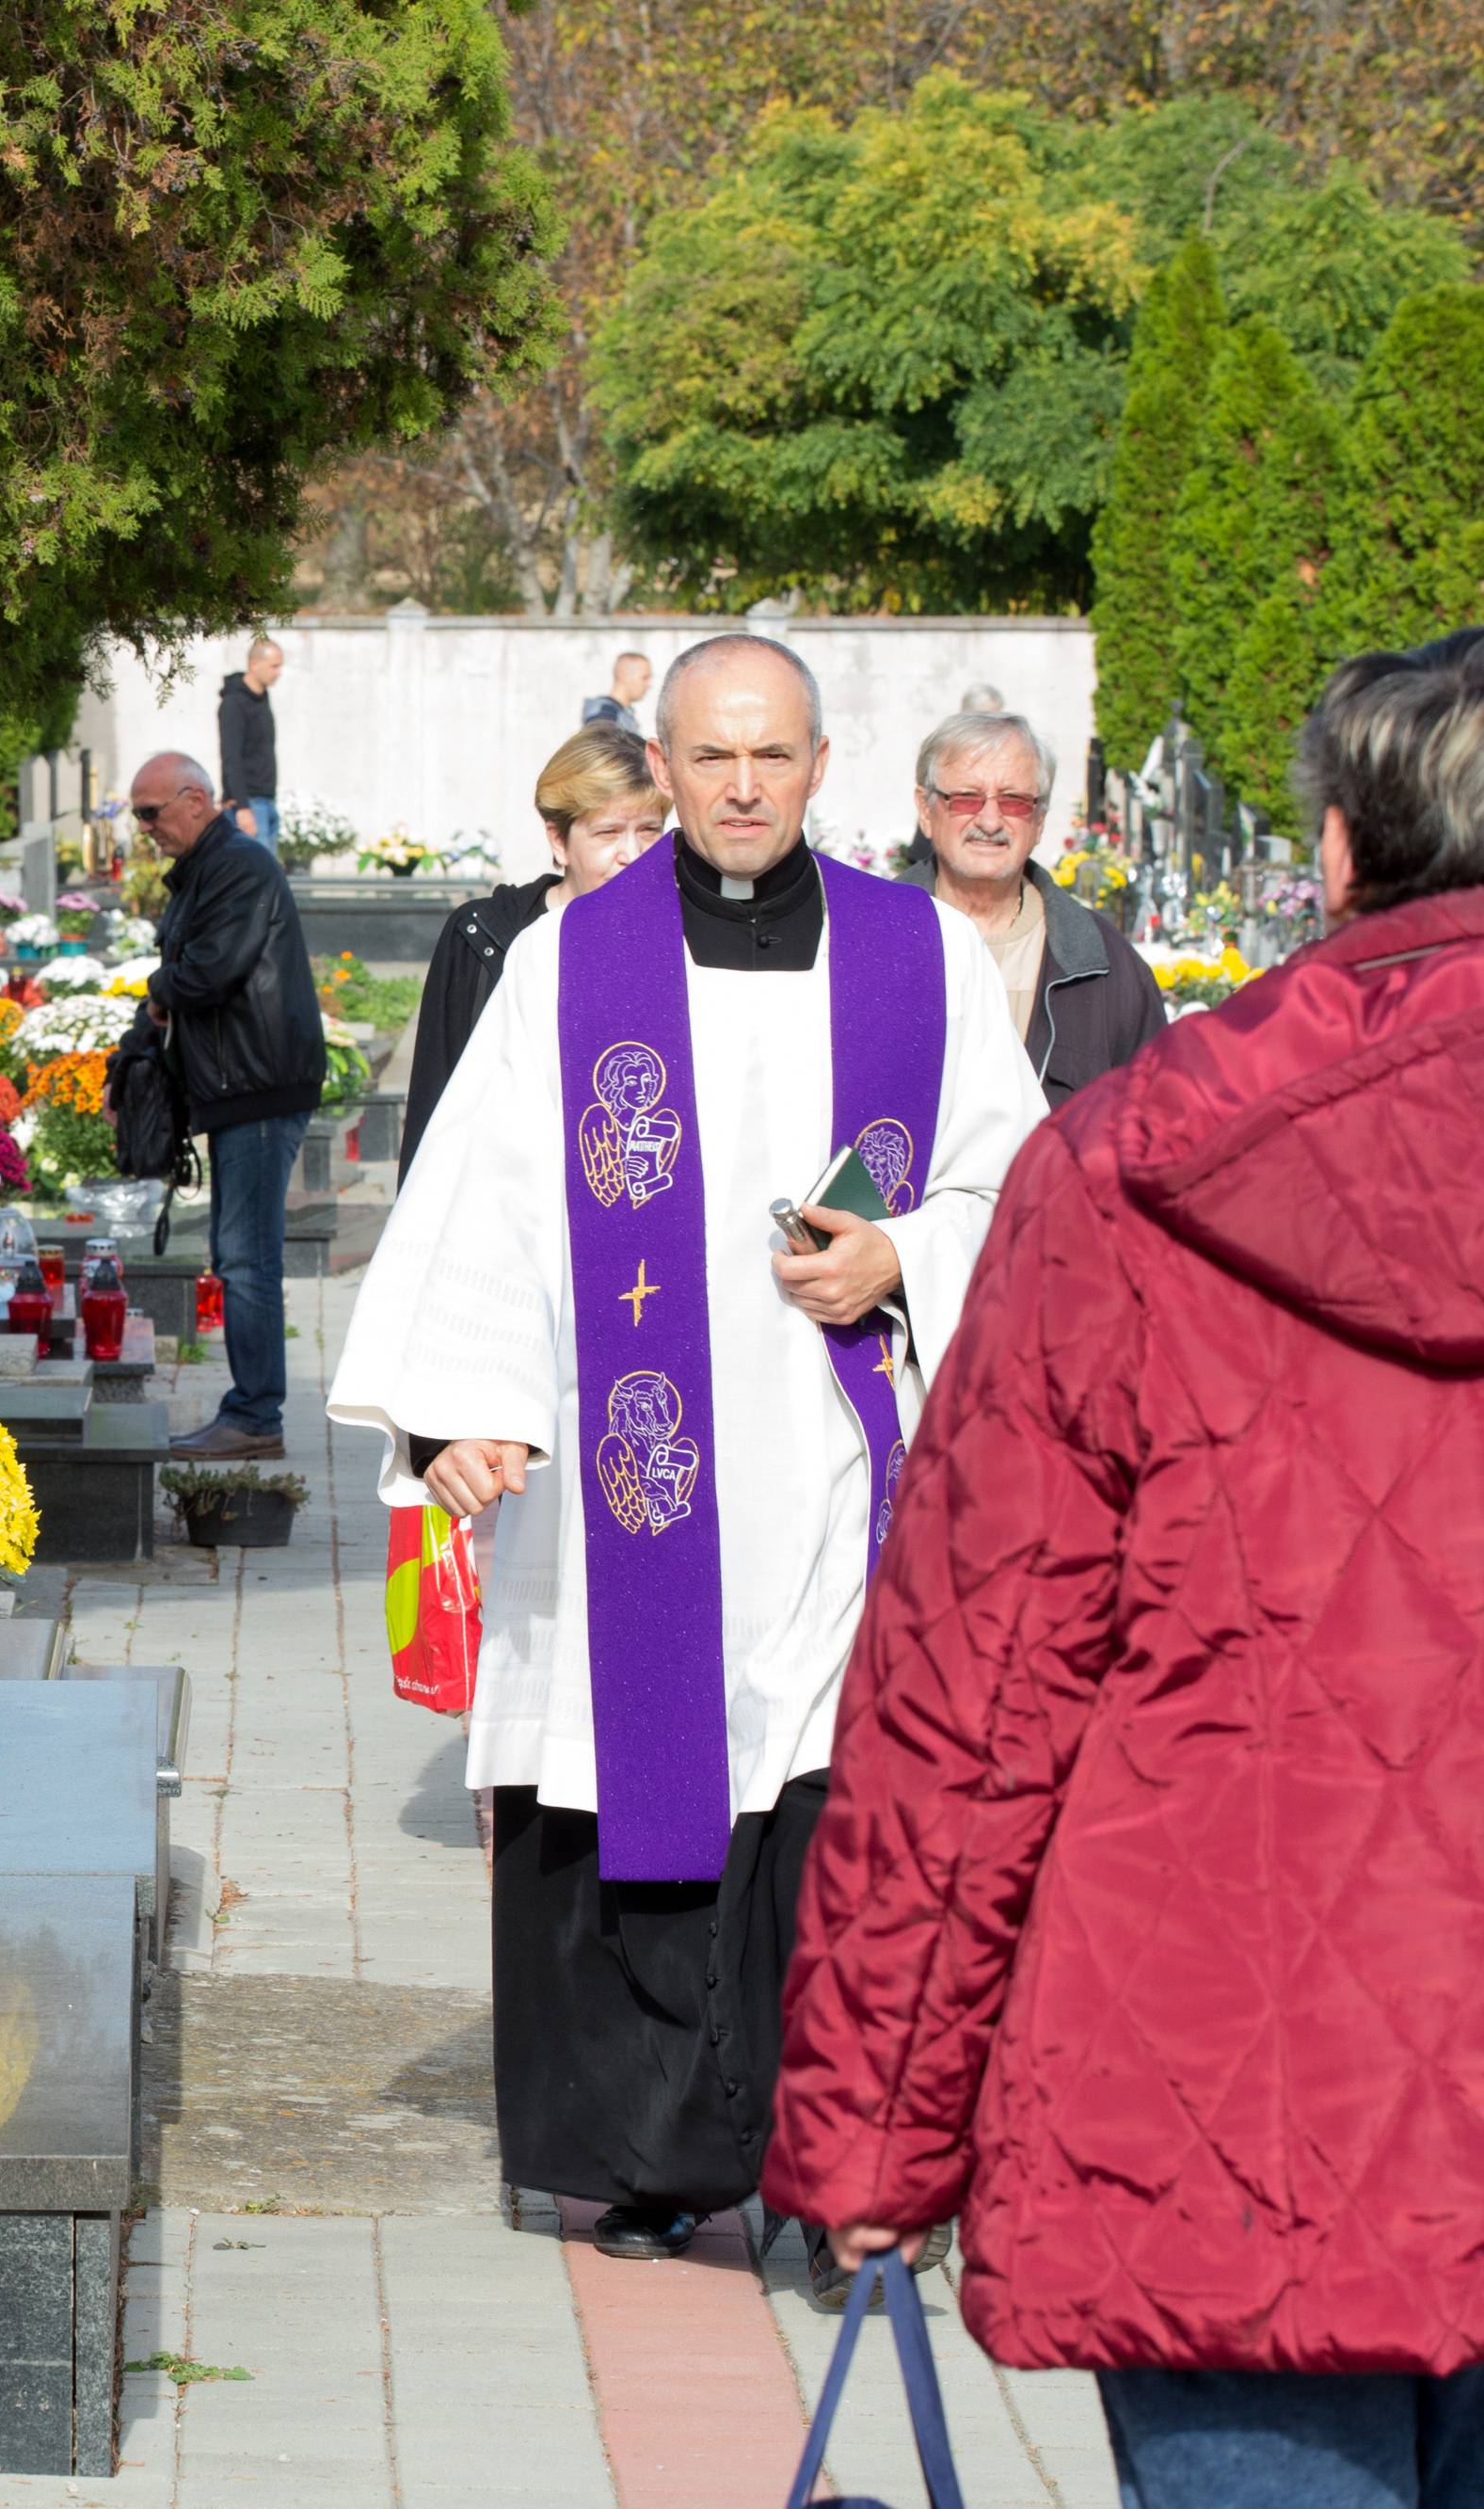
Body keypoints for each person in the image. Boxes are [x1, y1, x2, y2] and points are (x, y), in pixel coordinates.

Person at [764, 631, 1484, 2503]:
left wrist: (875, 2132)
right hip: (1238, 2106)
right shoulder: (1121, 1175)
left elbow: (975, 1695)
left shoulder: (1127, 1169)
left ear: (1333, 854)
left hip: (1229, 2107)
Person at [329, 635, 1044, 2272]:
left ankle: (840, 2159)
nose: (740, 786)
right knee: (638, 1805)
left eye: (771, 757)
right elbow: (489, 1203)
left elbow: (1024, 1187)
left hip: (842, 1461)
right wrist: (466, 1405)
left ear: (819, 766)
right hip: (624, 1472)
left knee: (832, 1812)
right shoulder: (573, 962)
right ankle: (646, 2159)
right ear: (661, 766)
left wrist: (901, 1262)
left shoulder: (916, 955)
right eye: (708, 758)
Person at [112, 752, 324, 1458]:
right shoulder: (207, 868)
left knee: (245, 1258)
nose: (145, 827)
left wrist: (160, 986)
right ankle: (251, 1410)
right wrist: (135, 1052)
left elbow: (208, 971)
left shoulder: (237, 865)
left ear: (195, 800)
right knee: (239, 1254)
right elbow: (182, 980)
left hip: (258, 1088)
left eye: (152, 812)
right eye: (138, 814)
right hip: (239, 1088)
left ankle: (256, 1416)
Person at [398, 724, 667, 1181]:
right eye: (607, 833)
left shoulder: (676, 939)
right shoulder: (482, 936)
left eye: (650, 830)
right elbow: (437, 1100)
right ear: (558, 841)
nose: (632, 854)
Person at [898, 708, 1164, 1106]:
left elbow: (1156, 1118)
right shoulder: (864, 941)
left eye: (1015, 801)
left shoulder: (1104, 967)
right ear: (925, 810)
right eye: (967, 799)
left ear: (1039, 820)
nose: (990, 821)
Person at [218, 636, 283, 854]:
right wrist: (243, 807)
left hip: (266, 801)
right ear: (254, 665)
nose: (278, 672)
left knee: (270, 874)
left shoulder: (263, 697)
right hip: (248, 804)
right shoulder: (234, 703)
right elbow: (231, 757)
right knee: (257, 878)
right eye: (274, 666)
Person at [581, 650, 651, 733]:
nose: (649, 684)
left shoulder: (621, 713)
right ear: (623, 675)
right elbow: (601, 744)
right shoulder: (605, 714)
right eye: (644, 678)